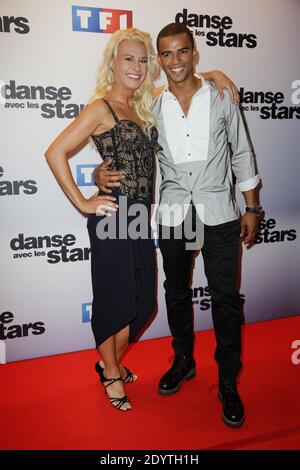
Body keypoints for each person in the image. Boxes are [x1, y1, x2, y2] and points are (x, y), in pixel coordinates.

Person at [94, 23, 261, 426]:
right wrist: (101, 173)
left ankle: (227, 380)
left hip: (219, 212)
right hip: (173, 213)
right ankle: (183, 359)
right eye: (165, 54)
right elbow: (124, 137)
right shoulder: (150, 104)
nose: (175, 61)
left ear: (194, 53)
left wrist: (252, 208)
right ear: (159, 60)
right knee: (176, 292)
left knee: (224, 298)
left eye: (182, 52)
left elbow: (242, 152)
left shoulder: (220, 95)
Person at [45, 28, 161, 411]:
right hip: (114, 213)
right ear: (112, 63)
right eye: (129, 58)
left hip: (140, 216)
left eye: (143, 60)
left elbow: (186, 85)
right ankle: (112, 372)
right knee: (114, 300)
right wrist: (82, 201)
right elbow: (55, 152)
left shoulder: (141, 109)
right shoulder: (101, 108)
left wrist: (215, 76)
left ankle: (106, 362)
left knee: (143, 304)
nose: (137, 67)